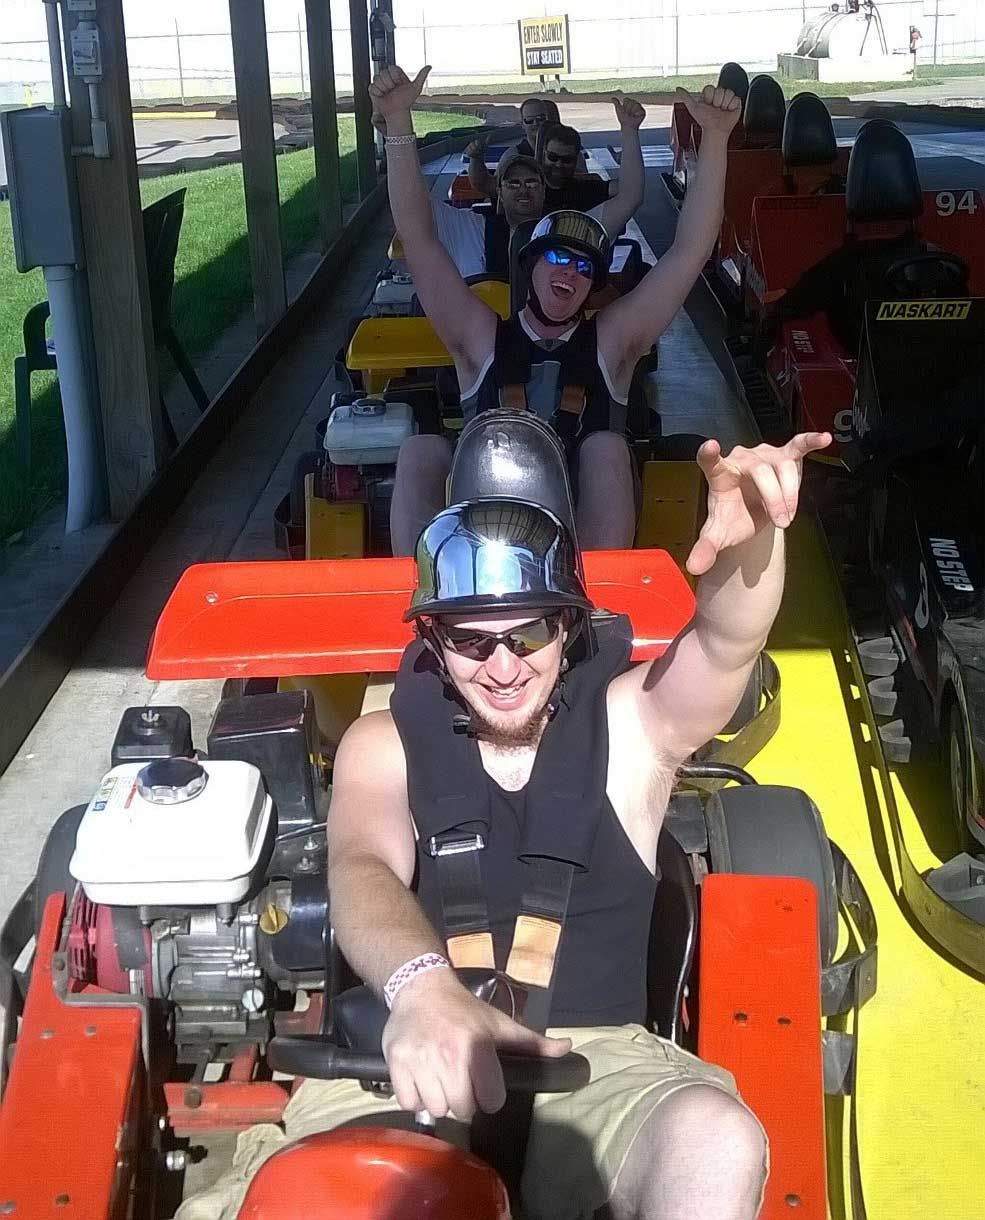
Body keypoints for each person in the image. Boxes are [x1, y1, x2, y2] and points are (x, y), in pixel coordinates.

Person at [323, 428, 831, 1220]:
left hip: (600, 1066)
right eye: (469, 638)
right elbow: (360, 868)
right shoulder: (382, 743)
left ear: (569, 627)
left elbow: (728, 645)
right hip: (414, 1044)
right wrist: (420, 991)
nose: (501, 666)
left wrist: (753, 543)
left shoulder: (633, 728)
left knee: (715, 1138)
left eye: (529, 633)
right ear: (430, 637)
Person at [371, 64, 742, 555]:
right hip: (479, 539)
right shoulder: (482, 339)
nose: (570, 272)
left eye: (584, 267)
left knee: (607, 447)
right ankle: (420, 594)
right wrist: (398, 124)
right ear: (530, 268)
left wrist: (715, 141)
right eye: (557, 258)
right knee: (421, 449)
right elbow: (418, 241)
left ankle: (594, 608)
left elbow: (689, 253)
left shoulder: (612, 342)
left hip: (580, 549)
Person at [466, 95, 562, 199]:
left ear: (551, 121)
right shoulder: (513, 156)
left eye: (541, 119)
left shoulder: (570, 153)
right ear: (522, 125)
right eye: (529, 120)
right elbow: (488, 186)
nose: (536, 124)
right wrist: (476, 159)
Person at [537, 122, 612, 212]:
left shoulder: (587, 189)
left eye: (567, 159)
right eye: (553, 157)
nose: (558, 164)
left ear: (576, 160)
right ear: (544, 154)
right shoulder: (527, 190)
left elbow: (628, 192)